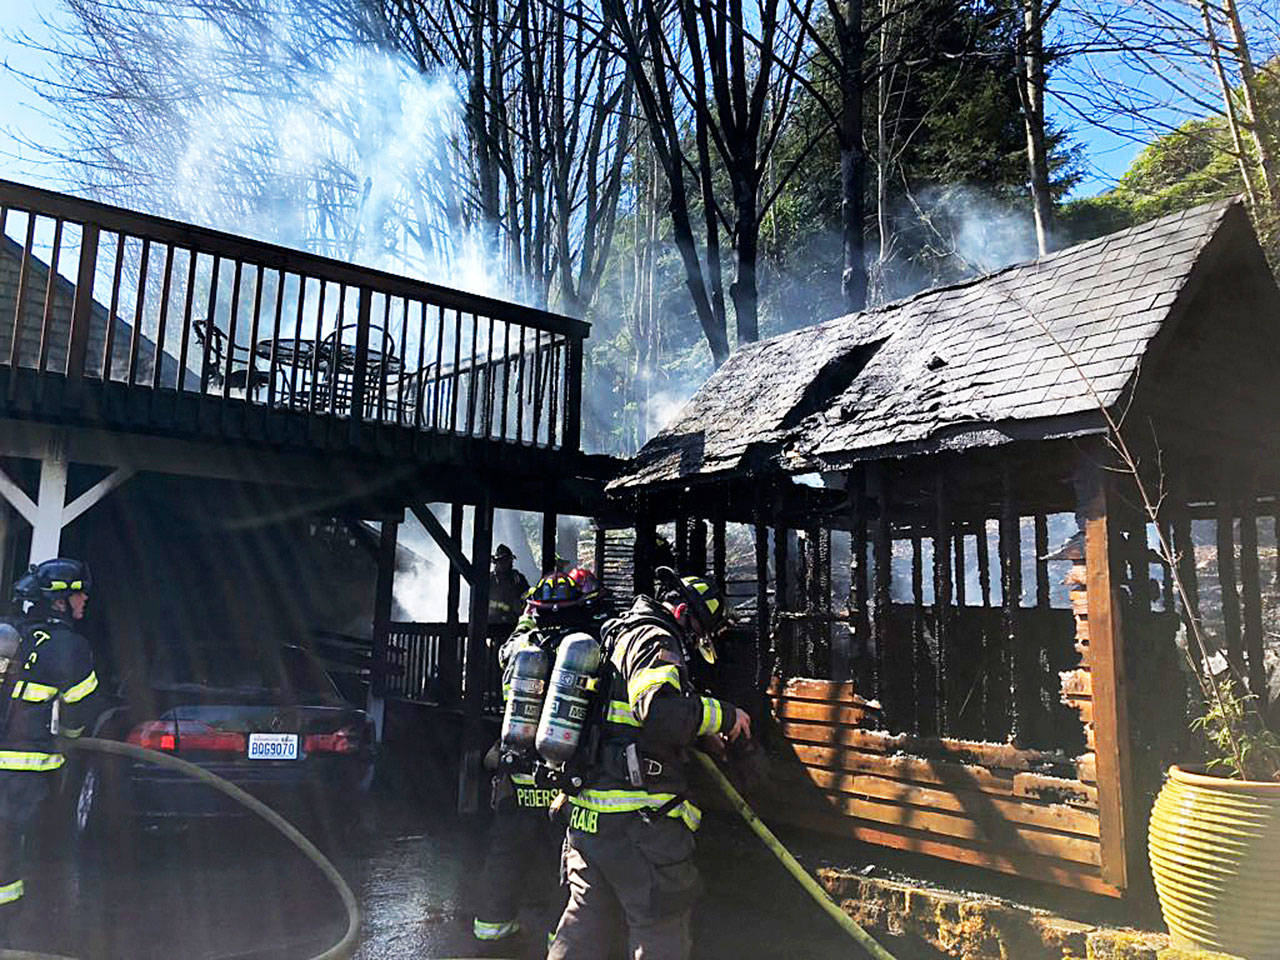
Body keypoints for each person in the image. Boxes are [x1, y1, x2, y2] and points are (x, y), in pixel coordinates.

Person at [547, 567, 751, 960]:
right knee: (661, 929)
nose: (693, 642)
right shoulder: (656, 637)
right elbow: (657, 712)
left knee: (584, 928)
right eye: (696, 632)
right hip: (637, 824)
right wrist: (724, 716)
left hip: (590, 817)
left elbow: (624, 721)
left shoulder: (618, 633)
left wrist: (698, 732)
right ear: (682, 614)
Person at [473, 568, 608, 953]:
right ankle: (558, 941)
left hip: (517, 776)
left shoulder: (520, 651)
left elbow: (509, 647)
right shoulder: (586, 651)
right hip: (560, 780)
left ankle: (491, 930)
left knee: (506, 855)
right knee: (560, 865)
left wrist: (527, 618)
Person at [0, 558, 99, 945]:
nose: (85, 600)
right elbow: (78, 713)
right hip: (24, 775)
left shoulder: (13, 636)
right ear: (60, 601)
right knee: (16, 856)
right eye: (79, 593)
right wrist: (69, 738)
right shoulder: (70, 648)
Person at [488, 544, 531, 627]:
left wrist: (521, 603)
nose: (506, 564)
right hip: (492, 623)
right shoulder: (489, 579)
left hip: (513, 622)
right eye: (503, 561)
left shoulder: (518, 578)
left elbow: (527, 595)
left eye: (508, 560)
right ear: (496, 562)